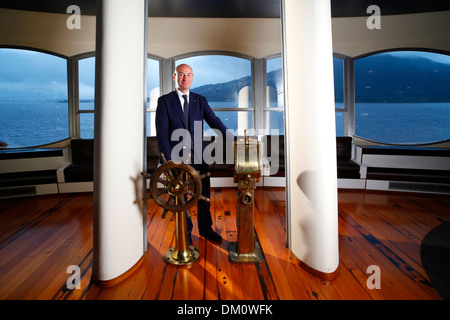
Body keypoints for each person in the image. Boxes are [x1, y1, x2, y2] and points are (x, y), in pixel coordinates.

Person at [155, 64, 229, 244]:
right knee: (181, 197)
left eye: (188, 75)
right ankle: (185, 232)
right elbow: (162, 131)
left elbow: (214, 121)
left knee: (204, 195)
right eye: (181, 75)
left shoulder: (200, 100)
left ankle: (205, 229)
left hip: (199, 156)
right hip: (175, 157)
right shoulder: (164, 101)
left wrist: (231, 138)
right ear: (175, 77)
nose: (185, 78)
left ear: (192, 78)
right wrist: (168, 158)